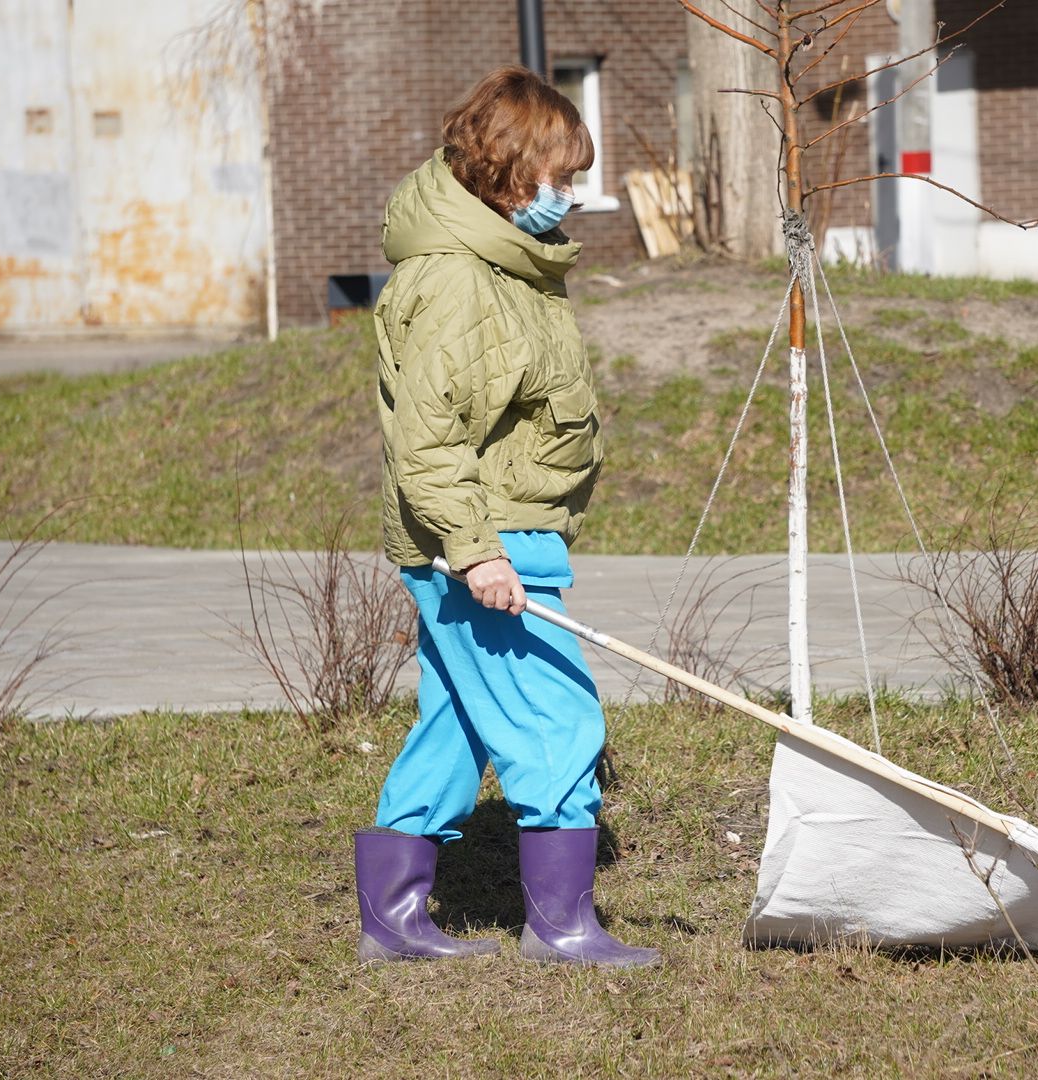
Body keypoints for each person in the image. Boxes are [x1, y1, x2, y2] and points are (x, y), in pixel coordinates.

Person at [354, 66, 659, 970]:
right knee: (558, 722)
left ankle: (393, 919)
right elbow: (430, 441)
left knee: (454, 726)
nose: (572, 193)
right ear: (504, 172)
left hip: (507, 533)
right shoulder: (455, 281)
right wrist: (477, 552)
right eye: (559, 176)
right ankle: (562, 927)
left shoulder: (513, 270)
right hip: (479, 543)